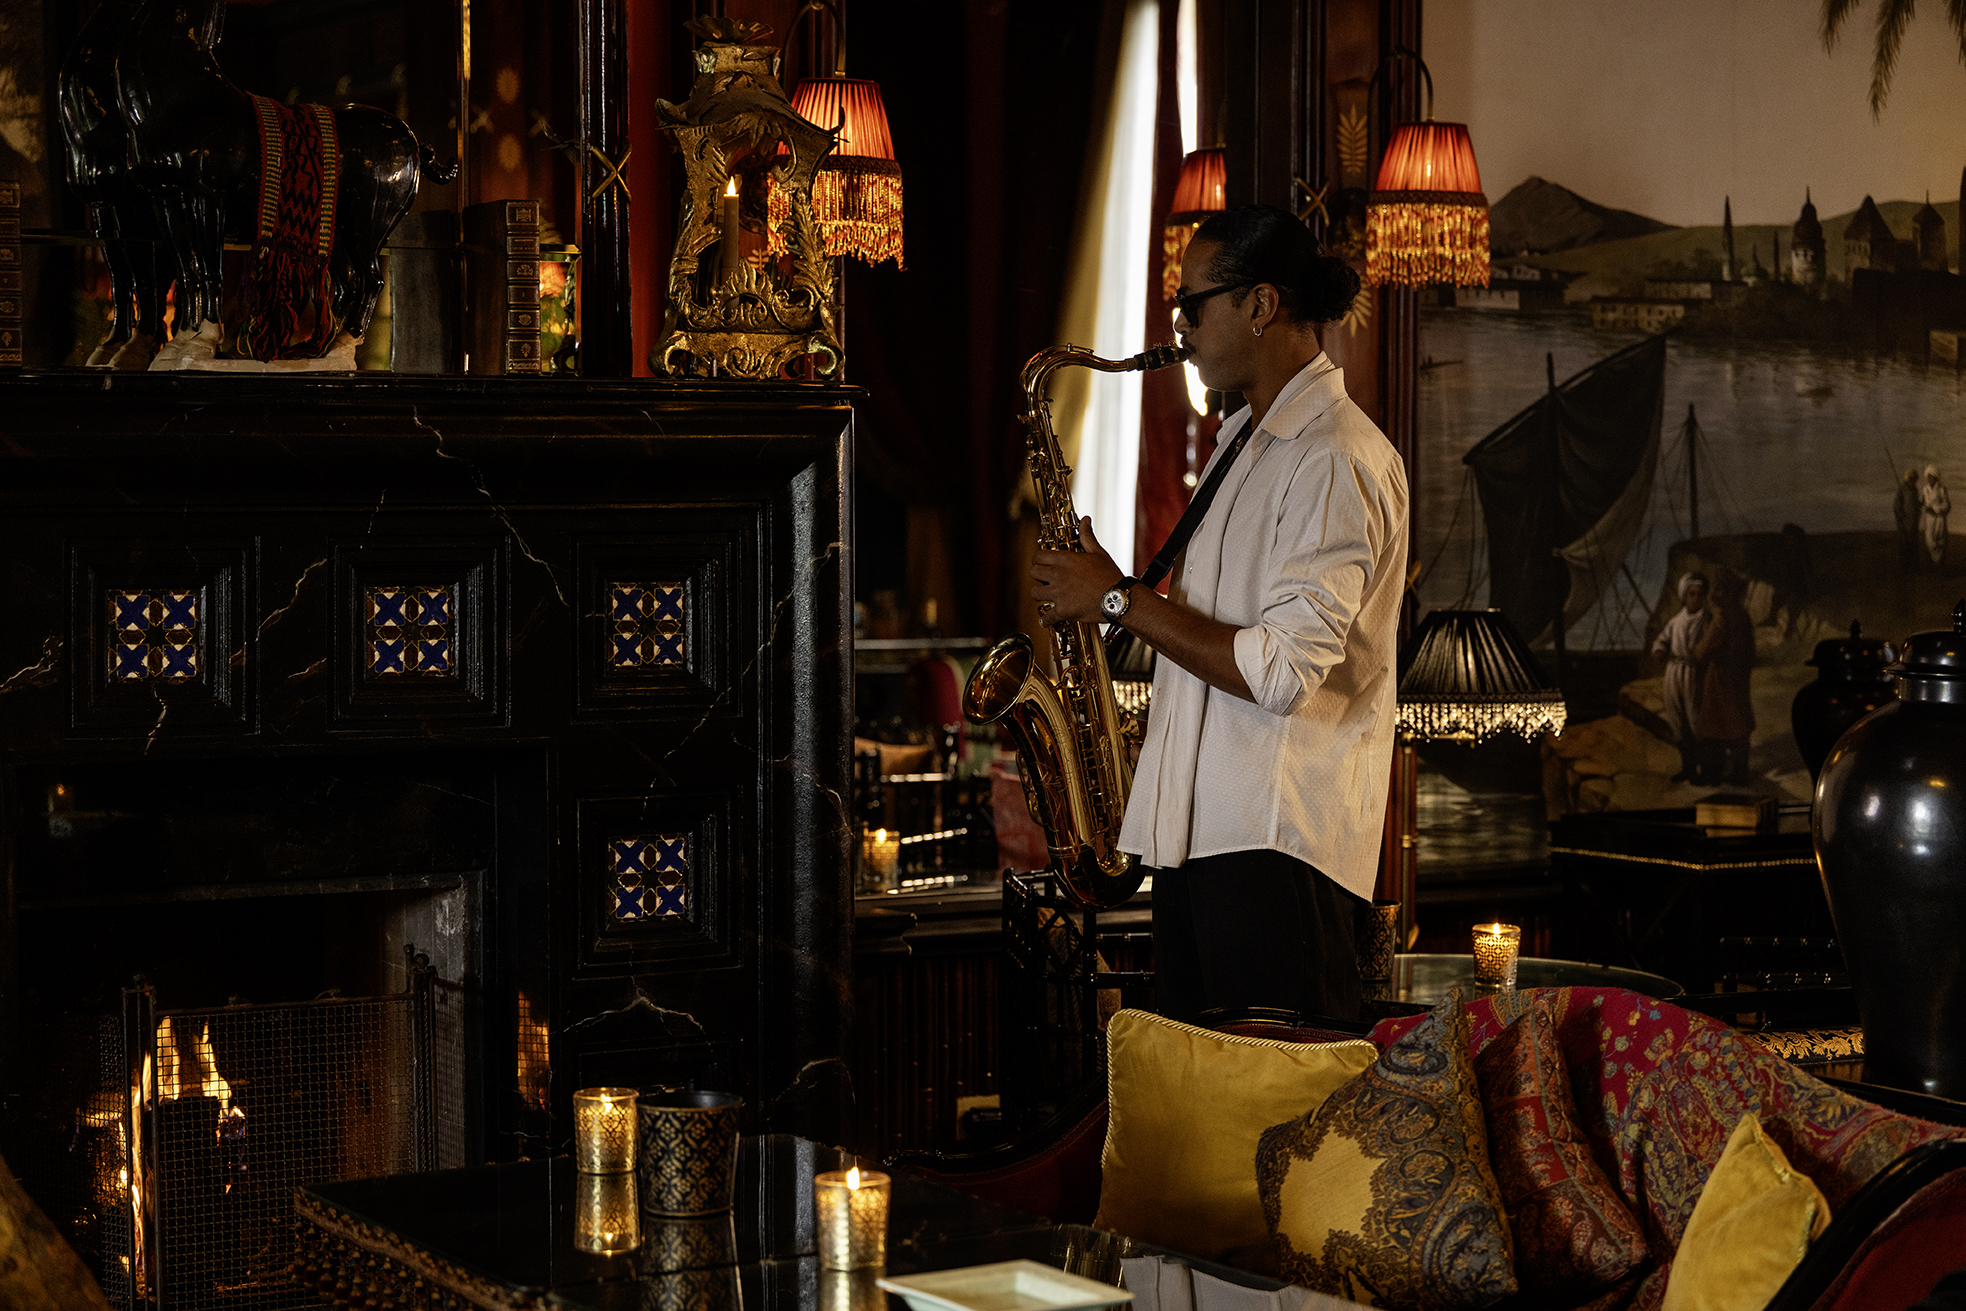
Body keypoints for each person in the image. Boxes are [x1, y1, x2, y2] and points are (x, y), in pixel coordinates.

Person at [1028, 204, 1407, 1022]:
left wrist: (1119, 598)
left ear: (1260, 304)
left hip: (1277, 849)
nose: (1180, 326)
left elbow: (1283, 672)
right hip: (1205, 843)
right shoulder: (1243, 440)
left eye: (1192, 305)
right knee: (1200, 1098)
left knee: (1277, 1101)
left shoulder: (1335, 458)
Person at [1693, 568, 1756, 786]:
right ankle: (1738, 773)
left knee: (1716, 726)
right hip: (1736, 679)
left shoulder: (1723, 619)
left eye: (1720, 589)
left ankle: (1713, 774)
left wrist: (1696, 648)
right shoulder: (1742, 616)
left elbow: (1702, 652)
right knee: (1737, 723)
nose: (1714, 594)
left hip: (1721, 680)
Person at [1652, 571, 1710, 784]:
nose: (1696, 598)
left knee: (1695, 719)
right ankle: (1688, 768)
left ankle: (1703, 769)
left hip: (1693, 673)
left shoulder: (1706, 620)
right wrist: (1660, 649)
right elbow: (1662, 639)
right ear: (1684, 597)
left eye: (1699, 594)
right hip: (1674, 672)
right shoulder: (1676, 621)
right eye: (1691, 594)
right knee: (1677, 719)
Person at [1921, 464, 1950, 570]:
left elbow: (1946, 505)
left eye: (1932, 477)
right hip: (1929, 518)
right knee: (1929, 540)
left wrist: (1936, 510)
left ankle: (1939, 565)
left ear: (1936, 478)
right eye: (1929, 477)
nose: (1930, 479)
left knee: (1940, 539)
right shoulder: (1925, 489)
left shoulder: (1942, 490)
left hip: (1940, 519)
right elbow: (1923, 501)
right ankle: (1933, 562)